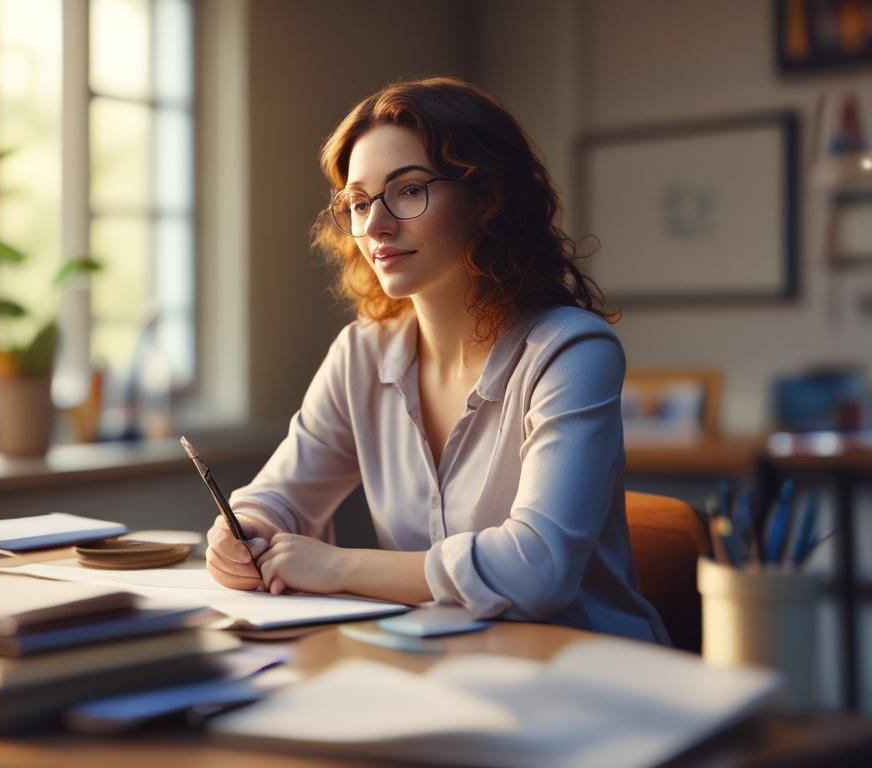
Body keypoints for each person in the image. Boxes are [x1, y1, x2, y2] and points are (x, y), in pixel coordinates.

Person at [205, 76, 668, 644]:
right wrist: (245, 532)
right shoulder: (361, 354)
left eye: (408, 190)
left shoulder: (570, 351)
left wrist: (337, 566)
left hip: (591, 672)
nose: (374, 226)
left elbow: (537, 570)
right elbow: (279, 496)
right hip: (442, 662)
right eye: (358, 202)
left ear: (486, 197)